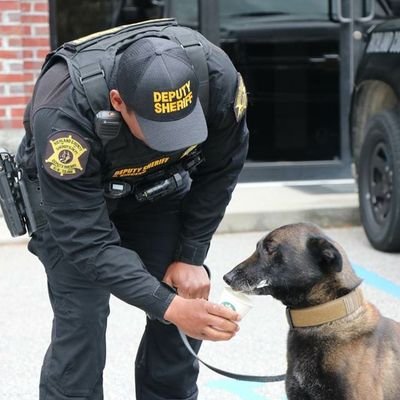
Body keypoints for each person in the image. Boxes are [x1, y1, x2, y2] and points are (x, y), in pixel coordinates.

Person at [17, 19, 249, 400]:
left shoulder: (217, 77)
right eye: (158, 129)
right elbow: (88, 242)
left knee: (184, 295)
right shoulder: (63, 115)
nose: (168, 140)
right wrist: (167, 306)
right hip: (73, 204)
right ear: (117, 102)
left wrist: (191, 255)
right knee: (83, 324)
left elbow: (222, 169)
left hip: (156, 191)